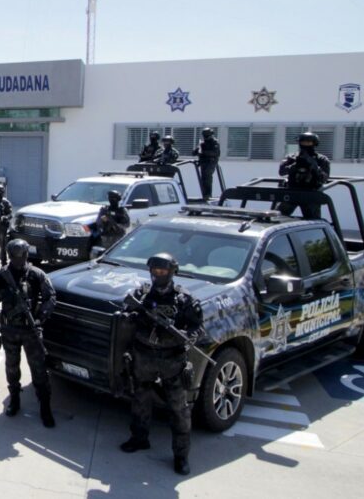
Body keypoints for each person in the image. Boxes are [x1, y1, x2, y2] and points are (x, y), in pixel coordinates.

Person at [117, 253, 205, 476]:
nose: (158, 275)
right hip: (143, 356)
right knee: (140, 400)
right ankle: (139, 438)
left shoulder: (184, 300)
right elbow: (125, 314)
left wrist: (181, 335)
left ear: (172, 272)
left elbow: (198, 329)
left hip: (172, 360)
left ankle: (181, 455)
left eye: (163, 271)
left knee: (179, 410)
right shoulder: (142, 294)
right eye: (155, 271)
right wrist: (134, 317)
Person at [0, 239, 56, 427]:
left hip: (30, 329)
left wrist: (41, 318)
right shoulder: (1, 275)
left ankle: (45, 406)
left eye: (21, 256)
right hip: (10, 329)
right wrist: (4, 293)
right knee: (12, 367)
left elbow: (50, 297)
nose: (18, 260)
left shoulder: (36, 274)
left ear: (26, 255)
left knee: (39, 370)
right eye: (14, 256)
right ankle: (14, 400)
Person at [277, 132, 331, 219]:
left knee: (313, 221)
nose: (305, 145)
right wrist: (294, 166)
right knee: (277, 217)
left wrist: (314, 165)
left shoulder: (321, 159)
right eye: (303, 142)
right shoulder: (292, 157)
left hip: (311, 193)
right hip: (292, 192)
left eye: (308, 142)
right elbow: (281, 172)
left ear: (314, 144)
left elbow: (324, 178)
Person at [192, 127, 220, 200]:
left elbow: (215, 153)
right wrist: (198, 150)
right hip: (203, 163)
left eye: (207, 135)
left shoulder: (215, 142)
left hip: (211, 163)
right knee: (203, 179)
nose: (206, 137)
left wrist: (203, 152)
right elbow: (194, 153)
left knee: (208, 177)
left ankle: (208, 194)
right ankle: (205, 195)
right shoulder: (202, 143)